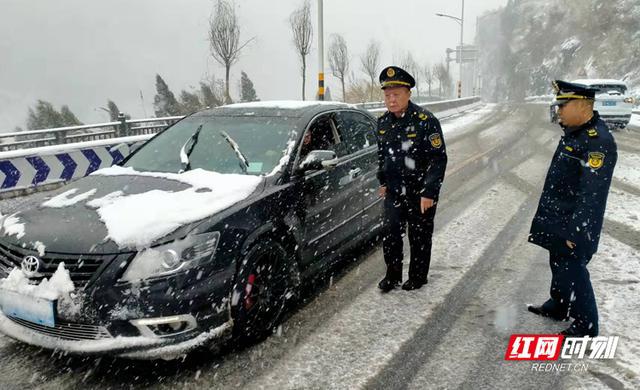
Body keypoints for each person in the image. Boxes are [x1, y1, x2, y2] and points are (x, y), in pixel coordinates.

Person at [528, 80, 617, 337]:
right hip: (559, 216)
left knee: (573, 269)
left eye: (563, 105)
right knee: (558, 261)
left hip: (574, 221)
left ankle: (585, 325)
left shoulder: (597, 142)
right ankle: (560, 305)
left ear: (582, 105)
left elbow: (593, 194)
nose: (559, 111)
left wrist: (577, 232)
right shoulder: (575, 132)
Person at [375, 66, 447, 292]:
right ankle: (393, 276)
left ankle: (417, 276)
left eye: (396, 94)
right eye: (387, 95)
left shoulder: (426, 120)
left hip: (419, 193)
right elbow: (383, 156)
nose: (391, 100)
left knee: (419, 237)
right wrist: (384, 182)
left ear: (408, 94)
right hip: (395, 192)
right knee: (391, 235)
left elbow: (438, 159)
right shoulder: (383, 123)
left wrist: (429, 193)